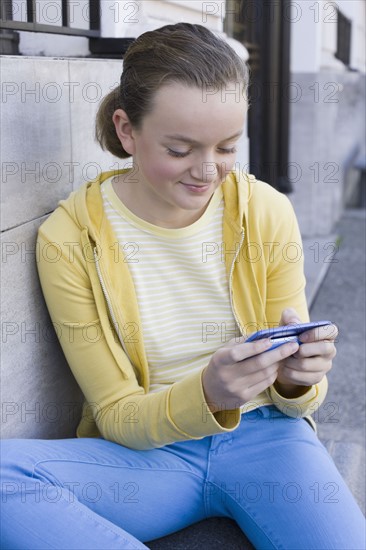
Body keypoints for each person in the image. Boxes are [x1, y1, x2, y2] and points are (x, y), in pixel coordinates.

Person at [1, 23, 365, 550]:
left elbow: (299, 402)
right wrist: (207, 394)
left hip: (268, 437)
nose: (207, 170)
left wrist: (296, 379)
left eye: (226, 147)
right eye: (179, 149)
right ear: (126, 131)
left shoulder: (265, 211)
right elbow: (117, 414)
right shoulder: (69, 238)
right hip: (149, 456)